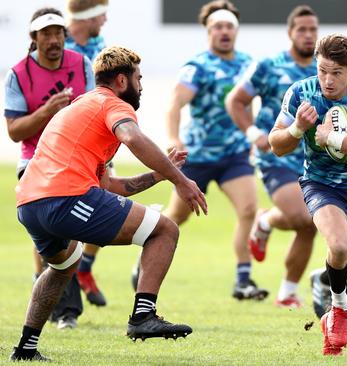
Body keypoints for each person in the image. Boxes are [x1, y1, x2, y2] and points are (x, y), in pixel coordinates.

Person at [9, 45, 206, 362]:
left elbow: (110, 186)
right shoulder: (113, 104)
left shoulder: (81, 106)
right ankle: (143, 316)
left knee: (63, 266)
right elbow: (132, 137)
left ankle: (26, 348)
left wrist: (159, 174)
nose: (141, 86)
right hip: (66, 196)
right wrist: (180, 181)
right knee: (165, 230)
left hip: (29, 205)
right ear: (121, 81)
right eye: (139, 79)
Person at [269, 33, 347, 356]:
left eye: (336, 73)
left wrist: (334, 138)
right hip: (320, 183)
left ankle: (333, 312)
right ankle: (338, 310)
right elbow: (276, 145)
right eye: (322, 70)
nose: (327, 80)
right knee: (339, 245)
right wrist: (297, 128)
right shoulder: (301, 93)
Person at [161, 0, 268, 300]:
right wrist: (173, 138)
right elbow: (174, 103)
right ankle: (145, 259)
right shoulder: (197, 67)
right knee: (176, 218)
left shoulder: (248, 64)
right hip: (197, 155)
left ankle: (243, 280)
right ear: (208, 31)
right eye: (218, 27)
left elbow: (256, 102)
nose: (224, 32)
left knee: (248, 209)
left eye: (229, 27)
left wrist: (255, 135)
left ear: (236, 31)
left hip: (234, 154)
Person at [4, 7, 95, 330]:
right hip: (36, 161)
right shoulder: (18, 74)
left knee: (64, 235)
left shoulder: (81, 64)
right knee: (59, 231)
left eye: (58, 33)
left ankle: (44, 280)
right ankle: (67, 311)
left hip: (79, 159)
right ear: (34, 38)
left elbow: (95, 110)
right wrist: (46, 111)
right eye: (46, 34)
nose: (54, 40)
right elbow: (15, 131)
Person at [226, 5, 319, 308]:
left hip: (312, 159)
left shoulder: (323, 71)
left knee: (310, 224)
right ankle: (266, 220)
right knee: (301, 217)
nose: (308, 35)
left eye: (312, 30)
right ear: (290, 32)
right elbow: (236, 100)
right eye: (302, 30)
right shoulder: (269, 65)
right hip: (276, 155)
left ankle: (287, 292)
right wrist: (254, 133)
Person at [65, 0, 111, 308]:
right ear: (87, 16)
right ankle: (41, 278)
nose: (105, 19)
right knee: (55, 219)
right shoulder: (58, 45)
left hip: (97, 139)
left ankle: (85, 268)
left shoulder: (100, 46)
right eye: (102, 13)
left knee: (104, 203)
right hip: (64, 142)